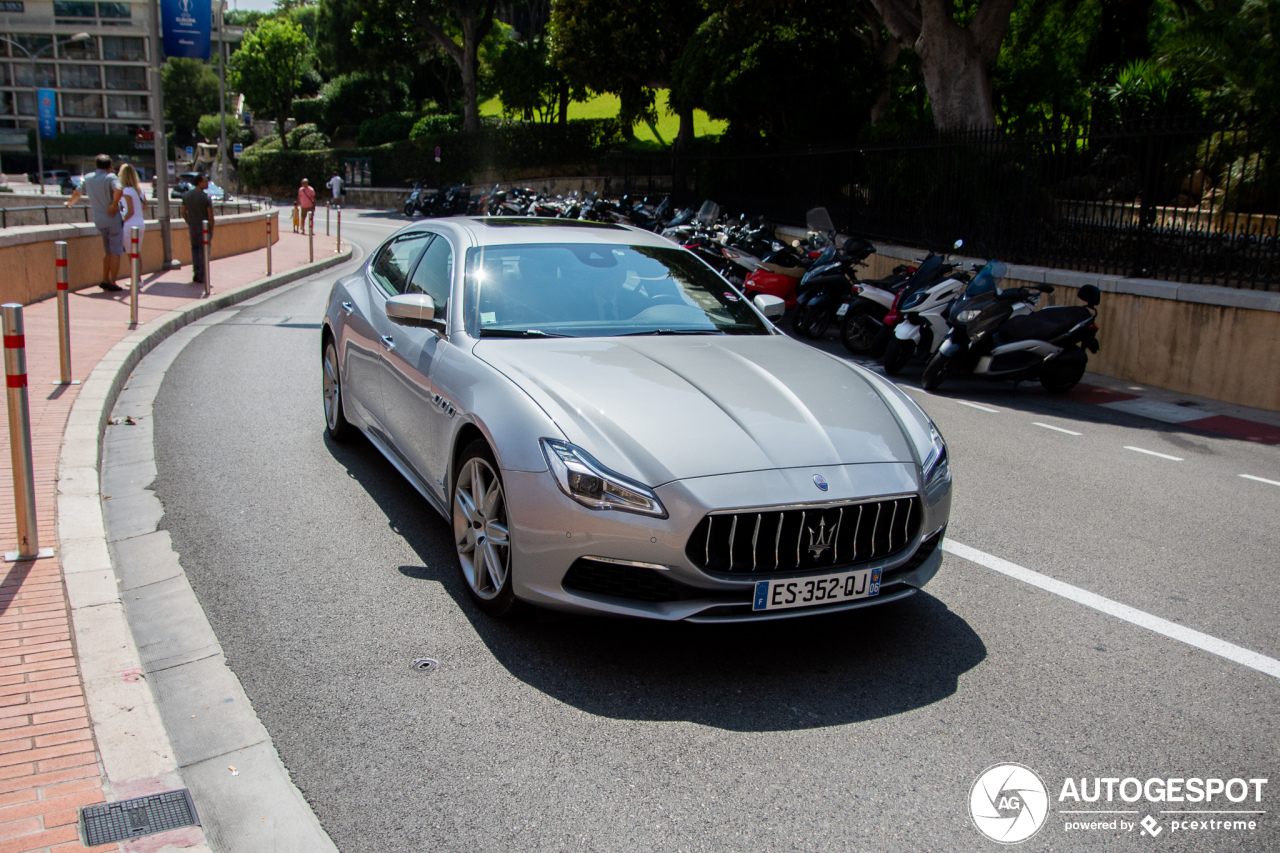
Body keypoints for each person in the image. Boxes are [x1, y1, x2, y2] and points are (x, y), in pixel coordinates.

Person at [65, 154, 124, 291]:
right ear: (110, 166)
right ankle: (113, 282)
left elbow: (77, 193)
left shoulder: (88, 177)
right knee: (115, 251)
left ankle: (104, 279)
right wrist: (114, 205)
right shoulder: (111, 177)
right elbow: (119, 189)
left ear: (96, 166)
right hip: (112, 219)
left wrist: (69, 204)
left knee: (108, 251)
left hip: (99, 220)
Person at [179, 174, 214, 291]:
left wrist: (189, 221)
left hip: (192, 225)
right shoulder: (205, 197)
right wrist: (211, 228)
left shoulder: (187, 195)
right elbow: (210, 215)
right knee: (204, 251)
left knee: (194, 249)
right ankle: (202, 275)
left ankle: (196, 272)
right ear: (199, 182)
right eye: (205, 181)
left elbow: (183, 211)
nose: (207, 183)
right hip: (203, 227)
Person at [117, 163, 145, 258]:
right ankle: (138, 273)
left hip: (130, 225)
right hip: (140, 223)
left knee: (132, 256)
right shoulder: (140, 190)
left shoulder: (127, 191)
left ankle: (135, 273)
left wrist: (121, 221)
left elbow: (130, 211)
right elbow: (145, 207)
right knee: (137, 254)